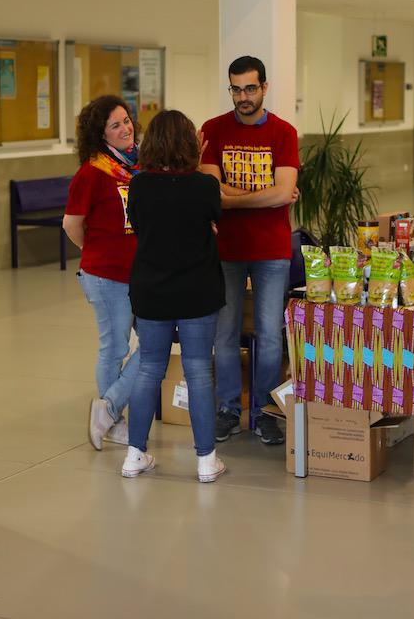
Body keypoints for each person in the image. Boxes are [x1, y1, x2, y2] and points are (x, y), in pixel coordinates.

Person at [121, 110, 227, 482]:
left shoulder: (139, 186)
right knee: (198, 369)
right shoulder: (205, 186)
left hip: (151, 290)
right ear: (190, 144)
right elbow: (214, 218)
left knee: (150, 367)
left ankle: (135, 454)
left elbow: (138, 224)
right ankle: (205, 461)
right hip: (198, 289)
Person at [200, 56, 299, 446]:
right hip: (224, 249)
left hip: (272, 250)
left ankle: (264, 412)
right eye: (236, 89)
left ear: (264, 87)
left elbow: (279, 191)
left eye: (250, 88)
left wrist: (230, 198)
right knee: (223, 334)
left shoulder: (284, 133)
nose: (243, 97)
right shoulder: (212, 130)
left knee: (271, 336)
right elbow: (213, 190)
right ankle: (228, 409)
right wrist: (268, 197)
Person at [63, 95, 142, 452]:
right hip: (106, 275)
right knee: (115, 348)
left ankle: (107, 408)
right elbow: (72, 224)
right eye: (116, 125)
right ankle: (114, 421)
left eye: (127, 120)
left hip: (141, 271)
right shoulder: (93, 172)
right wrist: (95, 251)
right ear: (101, 134)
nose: (126, 128)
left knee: (156, 343)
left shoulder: (138, 166)